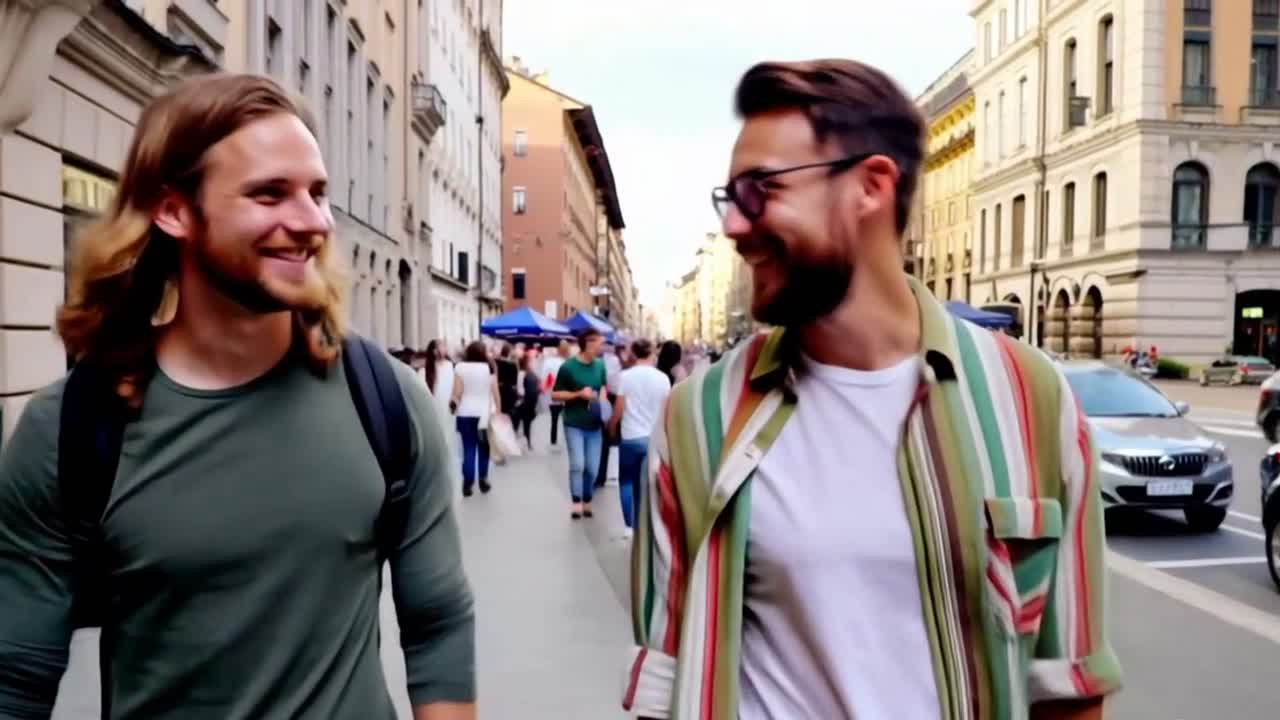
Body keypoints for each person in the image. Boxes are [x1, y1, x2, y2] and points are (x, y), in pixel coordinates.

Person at [623, 60, 1120, 720]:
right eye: (730, 199)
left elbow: (1067, 685)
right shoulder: (697, 419)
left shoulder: (1032, 400)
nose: (735, 227)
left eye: (759, 190)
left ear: (871, 186)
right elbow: (665, 684)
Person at [0, 74, 474, 720]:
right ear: (174, 211)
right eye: (269, 193)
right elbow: (14, 678)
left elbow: (438, 626)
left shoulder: (386, 401)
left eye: (317, 193)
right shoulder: (72, 427)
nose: (312, 221)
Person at [606, 339, 670, 540]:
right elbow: (667, 410)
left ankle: (629, 526)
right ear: (651, 353)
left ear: (633, 353)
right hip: (654, 439)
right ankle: (647, 525)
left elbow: (619, 407)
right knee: (650, 484)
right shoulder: (663, 378)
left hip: (631, 437)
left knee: (627, 481)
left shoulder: (626, 377)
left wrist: (612, 426)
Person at [551, 329, 607, 519]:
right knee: (577, 464)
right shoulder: (568, 367)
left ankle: (587, 498)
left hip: (595, 424)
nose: (601, 346)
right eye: (598, 343)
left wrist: (603, 403)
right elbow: (555, 394)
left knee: (592, 467)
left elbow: (603, 387)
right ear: (588, 343)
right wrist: (578, 394)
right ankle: (576, 502)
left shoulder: (600, 366)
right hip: (573, 422)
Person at [451, 340, 500, 497]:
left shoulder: (460, 367)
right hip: (483, 415)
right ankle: (483, 479)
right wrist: (499, 410)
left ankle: (468, 483)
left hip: (464, 413)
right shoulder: (488, 367)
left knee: (468, 448)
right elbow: (495, 392)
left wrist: (453, 404)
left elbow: (457, 392)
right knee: (484, 448)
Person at [541, 340, 571, 448]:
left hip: (552, 395)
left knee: (554, 419)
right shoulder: (568, 364)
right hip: (565, 396)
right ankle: (568, 439)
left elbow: (544, 378)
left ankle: (553, 440)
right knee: (567, 419)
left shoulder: (548, 362)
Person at [516, 353, 541, 451]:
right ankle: (527, 442)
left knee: (523, 423)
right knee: (525, 423)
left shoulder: (523, 373)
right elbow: (521, 389)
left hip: (525, 401)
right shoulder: (525, 374)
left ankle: (526, 442)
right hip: (525, 401)